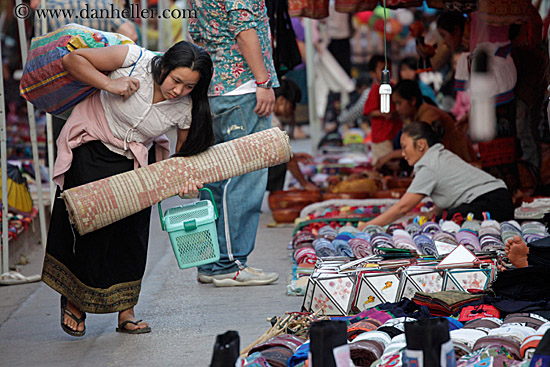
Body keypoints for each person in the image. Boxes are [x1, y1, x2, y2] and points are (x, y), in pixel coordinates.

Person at [42, 41, 214, 337]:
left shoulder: (185, 108)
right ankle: (75, 301)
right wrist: (110, 84)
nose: (178, 91)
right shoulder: (133, 58)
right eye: (176, 81)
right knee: (90, 232)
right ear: (165, 66)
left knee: (131, 237)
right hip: (92, 147)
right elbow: (73, 60)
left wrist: (186, 183)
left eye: (188, 87)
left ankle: (126, 311)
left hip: (135, 164)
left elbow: (182, 159)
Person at [189, 0, 280, 287]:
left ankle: (209, 264)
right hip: (241, 88)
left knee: (214, 180)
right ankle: (231, 262)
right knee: (245, 177)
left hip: (214, 89)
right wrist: (262, 82)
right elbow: (244, 30)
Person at [360, 121, 514, 229]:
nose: (403, 154)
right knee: (437, 218)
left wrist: (368, 226)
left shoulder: (430, 164)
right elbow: (454, 189)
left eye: (404, 147)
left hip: (492, 203)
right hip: (499, 199)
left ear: (421, 145)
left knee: (439, 223)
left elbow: (403, 207)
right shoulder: (439, 156)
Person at [375, 80, 476, 170]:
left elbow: (423, 147)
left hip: (464, 166)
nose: (397, 108)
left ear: (413, 101)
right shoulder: (419, 116)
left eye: (399, 103)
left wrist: (391, 155)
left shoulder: (429, 115)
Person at [268, 78, 319, 192]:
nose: (292, 110)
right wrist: (304, 184)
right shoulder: (274, 123)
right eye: (292, 105)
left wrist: (293, 155)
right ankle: (275, 193)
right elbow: (287, 158)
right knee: (283, 162)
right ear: (281, 100)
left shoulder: (268, 115)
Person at [363, 55, 402, 166]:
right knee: (384, 164)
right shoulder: (376, 89)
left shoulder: (393, 86)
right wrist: (383, 114)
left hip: (393, 133)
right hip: (382, 136)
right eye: (383, 70)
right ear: (373, 74)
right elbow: (368, 111)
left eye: (389, 69)